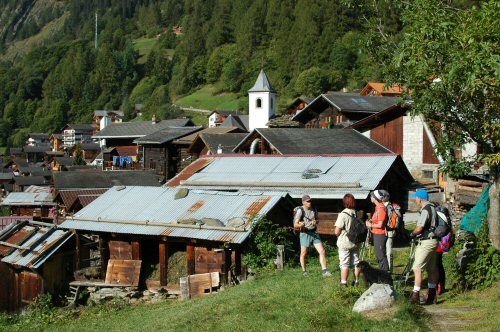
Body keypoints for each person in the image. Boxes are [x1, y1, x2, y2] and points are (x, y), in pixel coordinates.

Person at [409, 189, 439, 305]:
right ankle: (432, 294)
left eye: (416, 197)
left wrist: (412, 234)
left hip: (426, 242)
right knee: (432, 268)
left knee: (417, 268)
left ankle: (415, 295)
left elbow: (420, 228)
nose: (415, 199)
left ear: (420, 198)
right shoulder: (433, 207)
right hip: (434, 241)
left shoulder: (425, 210)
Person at [294, 194, 332, 277]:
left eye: (310, 201)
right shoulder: (300, 210)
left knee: (322, 251)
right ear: (303, 202)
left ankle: (325, 271)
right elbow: (295, 225)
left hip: (314, 232)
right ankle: (304, 272)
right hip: (305, 233)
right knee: (304, 253)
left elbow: (318, 220)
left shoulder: (314, 209)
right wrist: (301, 225)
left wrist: (315, 221)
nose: (309, 202)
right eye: (308, 201)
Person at [334, 193, 361, 286]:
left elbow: (337, 231)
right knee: (356, 262)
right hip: (356, 241)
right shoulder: (357, 213)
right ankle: (356, 281)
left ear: (344, 203)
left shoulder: (343, 214)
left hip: (345, 242)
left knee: (344, 263)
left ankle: (344, 283)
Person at [365, 190, 390, 272]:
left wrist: (370, 225)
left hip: (380, 235)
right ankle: (382, 274)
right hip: (376, 234)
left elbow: (380, 225)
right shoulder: (377, 208)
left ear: (375, 198)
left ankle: (385, 275)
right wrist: (372, 221)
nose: (370, 197)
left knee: (381, 255)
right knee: (379, 255)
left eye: (371, 196)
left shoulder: (381, 209)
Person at [379, 190, 395, 274]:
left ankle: (389, 272)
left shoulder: (388, 207)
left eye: (381, 196)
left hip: (388, 231)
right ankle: (385, 270)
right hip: (386, 232)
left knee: (388, 252)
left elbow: (386, 220)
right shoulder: (384, 206)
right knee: (385, 252)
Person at [436, 229, 453, 295]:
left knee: (435, 265)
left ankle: (436, 288)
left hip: (439, 239)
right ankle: (441, 286)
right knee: (438, 264)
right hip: (443, 237)